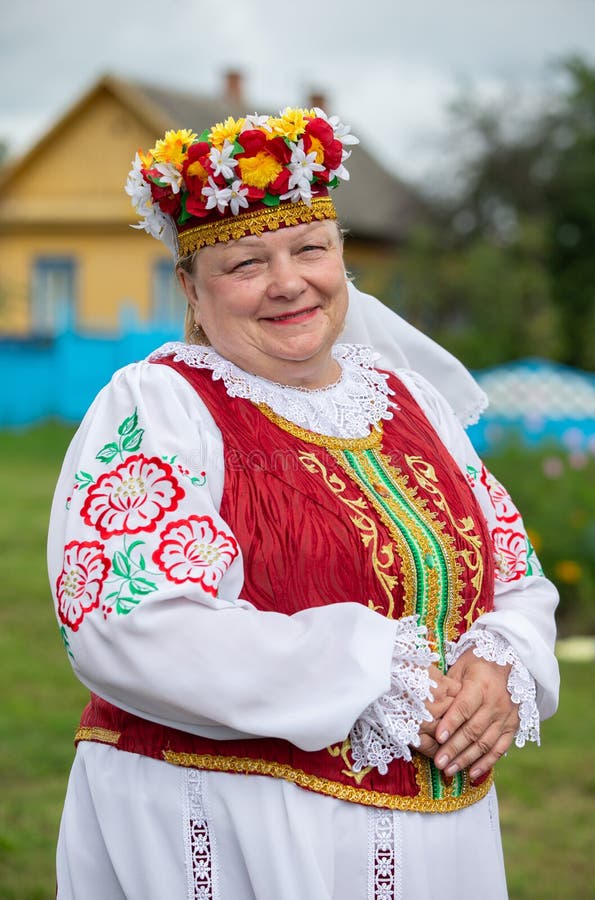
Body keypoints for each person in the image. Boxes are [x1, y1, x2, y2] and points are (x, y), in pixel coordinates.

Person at [48, 107, 559, 900]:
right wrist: (374, 670)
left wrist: (501, 661)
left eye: (311, 249)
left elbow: (513, 572)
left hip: (442, 841)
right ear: (190, 288)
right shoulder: (161, 404)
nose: (288, 283)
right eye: (246, 263)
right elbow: (127, 621)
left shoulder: (410, 400)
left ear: (342, 257)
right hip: (240, 822)